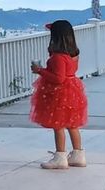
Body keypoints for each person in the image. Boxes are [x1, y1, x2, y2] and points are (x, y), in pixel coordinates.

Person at [30, 20, 88, 169]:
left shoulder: (58, 57)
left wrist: (40, 71)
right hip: (73, 91)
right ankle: (78, 155)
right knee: (72, 125)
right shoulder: (74, 54)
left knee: (59, 125)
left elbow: (58, 78)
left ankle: (60, 157)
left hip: (60, 94)